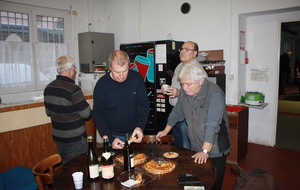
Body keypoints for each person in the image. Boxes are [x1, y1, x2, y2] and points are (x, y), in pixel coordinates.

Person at [156, 63, 230, 190]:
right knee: (200, 181)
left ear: (200, 81)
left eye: (188, 84)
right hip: (196, 146)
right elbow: (177, 113)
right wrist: (165, 130)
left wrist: (205, 151)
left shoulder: (215, 94)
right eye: (182, 84)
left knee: (214, 183)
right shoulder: (186, 92)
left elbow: (212, 125)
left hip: (215, 148)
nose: (184, 88)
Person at [93, 50, 150, 149]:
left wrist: (140, 126)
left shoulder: (136, 78)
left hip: (134, 134)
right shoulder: (102, 85)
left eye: (125, 71)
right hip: (113, 136)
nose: (121, 76)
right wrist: (109, 137)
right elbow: (98, 114)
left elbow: (143, 106)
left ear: (129, 65)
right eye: (117, 72)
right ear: (110, 67)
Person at [44, 55, 91, 164]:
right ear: (71, 69)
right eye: (74, 68)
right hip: (75, 138)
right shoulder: (74, 89)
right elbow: (87, 114)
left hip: (58, 137)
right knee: (79, 168)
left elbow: (48, 112)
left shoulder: (48, 88)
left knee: (65, 167)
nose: (74, 71)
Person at [163, 41, 207, 149]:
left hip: (187, 116)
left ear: (194, 53)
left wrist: (178, 93)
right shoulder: (180, 66)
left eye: (187, 50)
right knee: (178, 146)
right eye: (181, 49)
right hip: (177, 113)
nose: (182, 51)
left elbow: (201, 95)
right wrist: (169, 89)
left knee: (186, 148)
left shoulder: (198, 71)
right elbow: (178, 85)